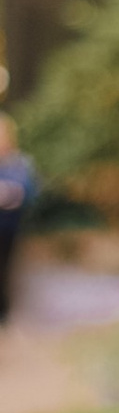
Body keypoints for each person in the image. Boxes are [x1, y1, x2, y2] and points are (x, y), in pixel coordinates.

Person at [0, 113, 37, 321]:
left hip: (9, 229)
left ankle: (3, 313)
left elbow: (27, 191)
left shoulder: (18, 163)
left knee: (4, 271)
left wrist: (9, 194)